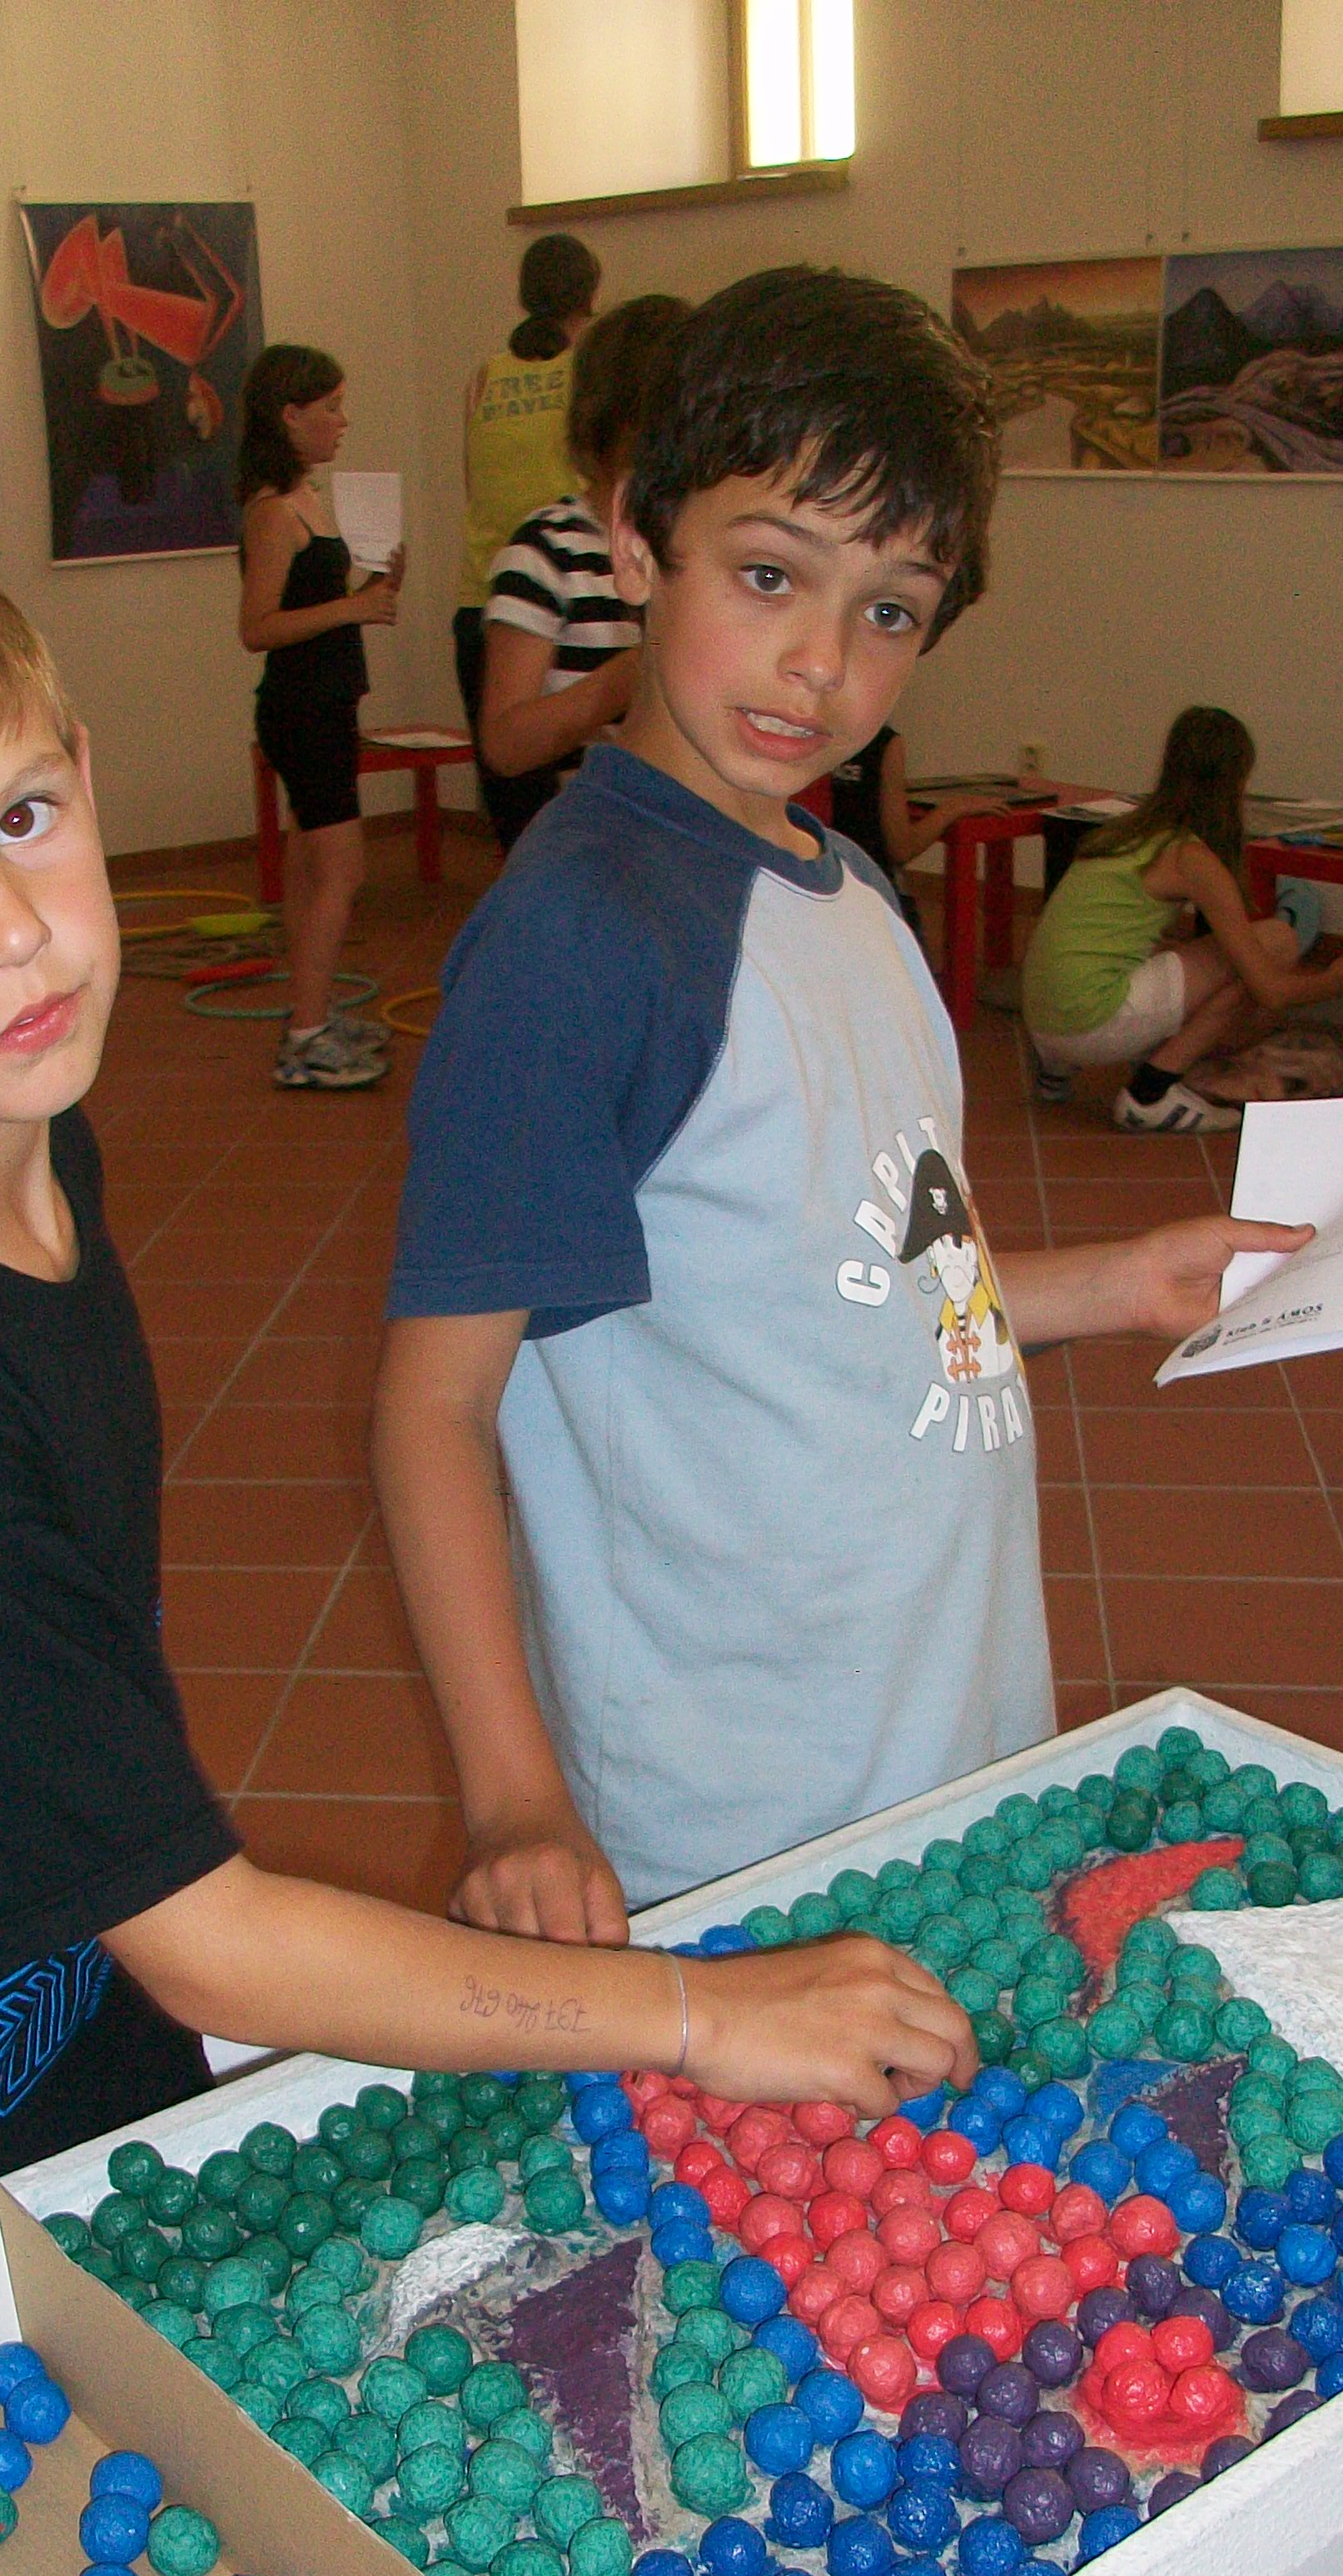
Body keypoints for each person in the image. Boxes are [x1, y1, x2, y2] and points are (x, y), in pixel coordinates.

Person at [0, 505, 986, 2309]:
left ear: (83, 770)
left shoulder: (11, 1150)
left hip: (50, 2039)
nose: (14, 932)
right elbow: (214, 1943)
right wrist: (693, 2010)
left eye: (20, 816)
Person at [371, 269, 1308, 1943]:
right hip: (734, 1803)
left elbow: (874, 1287)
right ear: (634, 537)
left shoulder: (850, 894)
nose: (818, 664)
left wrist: (1116, 1282)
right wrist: (515, 1795)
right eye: (766, 575)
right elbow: (436, 1404)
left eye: (887, 610)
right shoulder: (581, 938)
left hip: (940, 1726)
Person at [1021, 704, 1341, 1132]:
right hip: (1088, 1024)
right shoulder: (1190, 858)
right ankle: (1150, 1092)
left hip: (1043, 1019)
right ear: (1234, 783)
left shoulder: (1125, 833)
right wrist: (1332, 980)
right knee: (1276, 942)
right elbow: (1270, 990)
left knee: (1185, 954)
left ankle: (1056, 1070)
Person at [237, 343, 400, 1091]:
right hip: (302, 711)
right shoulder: (274, 512)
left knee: (311, 871)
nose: (343, 420)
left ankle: (312, 1014)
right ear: (290, 416)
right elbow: (258, 627)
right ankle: (305, 1038)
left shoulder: (307, 498)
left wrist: (372, 590)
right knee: (342, 872)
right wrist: (352, 608)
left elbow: (322, 607)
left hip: (326, 704)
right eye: (329, 407)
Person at [478, 296, 689, 849]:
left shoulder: (707, 548)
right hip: (595, 851)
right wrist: (639, 670)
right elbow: (505, 746)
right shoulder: (548, 550)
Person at [453, 231, 601, 851]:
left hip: (480, 599)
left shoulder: (486, 378)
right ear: (589, 296)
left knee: (513, 815)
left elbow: (474, 487)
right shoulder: (587, 372)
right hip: (562, 602)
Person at [823, 724, 998, 933]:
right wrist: (952, 808)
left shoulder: (823, 736)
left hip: (825, 885)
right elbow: (902, 848)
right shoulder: (885, 742)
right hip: (872, 891)